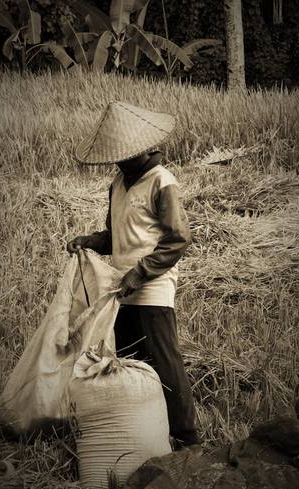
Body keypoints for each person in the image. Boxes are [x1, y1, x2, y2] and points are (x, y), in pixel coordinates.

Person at [67, 101, 200, 449]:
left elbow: (178, 239)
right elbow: (117, 236)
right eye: (117, 156)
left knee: (164, 361)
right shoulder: (118, 183)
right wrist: (91, 242)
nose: (120, 161)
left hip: (152, 287)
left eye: (125, 156)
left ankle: (187, 437)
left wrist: (139, 273)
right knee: (130, 362)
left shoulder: (161, 181)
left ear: (142, 149)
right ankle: (145, 435)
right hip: (121, 289)